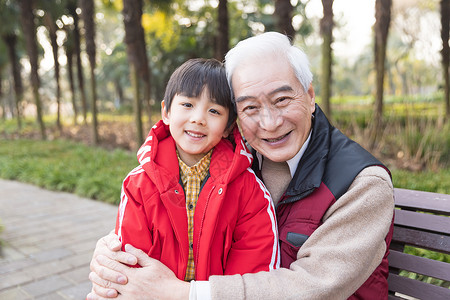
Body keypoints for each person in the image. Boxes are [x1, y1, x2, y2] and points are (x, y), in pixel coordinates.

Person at [88, 32, 394, 300]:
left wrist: (182, 294)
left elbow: (315, 287)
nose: (270, 123)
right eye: (250, 107)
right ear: (236, 117)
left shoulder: (362, 184)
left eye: (282, 100)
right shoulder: (235, 157)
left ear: (310, 95)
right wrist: (111, 256)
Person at [104, 58, 280, 289]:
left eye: (214, 110)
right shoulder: (138, 185)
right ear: (166, 112)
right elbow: (130, 261)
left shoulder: (249, 190)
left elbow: (255, 271)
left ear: (229, 126)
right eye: (187, 105)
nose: (198, 118)